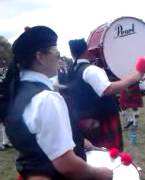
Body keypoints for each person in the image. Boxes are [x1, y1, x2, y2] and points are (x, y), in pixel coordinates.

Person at [2, 26, 112, 179]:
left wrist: (78, 140)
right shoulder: (46, 99)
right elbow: (66, 165)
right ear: (40, 57)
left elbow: (37, 138)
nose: (59, 59)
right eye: (57, 53)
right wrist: (100, 174)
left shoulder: (17, 93)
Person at [65, 38, 145, 152]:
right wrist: (136, 77)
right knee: (109, 155)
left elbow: (101, 86)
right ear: (86, 51)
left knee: (93, 156)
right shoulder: (91, 70)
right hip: (101, 121)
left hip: (84, 121)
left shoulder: (72, 71)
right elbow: (107, 89)